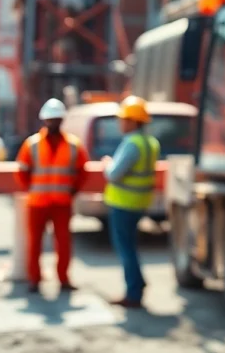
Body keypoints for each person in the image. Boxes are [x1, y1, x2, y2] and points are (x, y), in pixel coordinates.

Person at [15, 98, 88, 293]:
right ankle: (34, 279)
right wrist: (31, 188)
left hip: (62, 202)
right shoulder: (32, 144)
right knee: (34, 243)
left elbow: (82, 170)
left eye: (57, 119)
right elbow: (22, 170)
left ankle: (63, 279)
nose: (53, 123)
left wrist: (74, 189)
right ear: (44, 120)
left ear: (62, 120)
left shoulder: (73, 145)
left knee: (63, 243)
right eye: (50, 119)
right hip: (38, 202)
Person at [101, 95, 159, 308]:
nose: (120, 123)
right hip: (140, 202)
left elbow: (114, 174)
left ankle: (134, 292)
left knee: (126, 248)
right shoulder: (150, 143)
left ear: (134, 121)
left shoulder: (132, 143)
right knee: (130, 246)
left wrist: (107, 164)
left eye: (124, 119)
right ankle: (138, 282)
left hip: (124, 204)